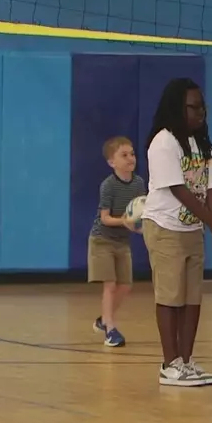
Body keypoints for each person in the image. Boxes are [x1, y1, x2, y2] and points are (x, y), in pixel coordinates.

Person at [142, 77, 212, 387]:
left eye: (202, 107)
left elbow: (211, 191)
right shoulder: (164, 142)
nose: (200, 113)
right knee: (170, 296)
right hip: (165, 226)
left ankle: (186, 360)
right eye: (193, 107)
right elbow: (180, 191)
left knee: (192, 297)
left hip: (193, 226)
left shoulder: (202, 144)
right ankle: (170, 364)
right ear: (176, 107)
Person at [89, 136, 146, 348]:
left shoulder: (139, 183)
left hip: (122, 242)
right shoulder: (108, 186)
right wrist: (125, 220)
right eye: (124, 155)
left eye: (132, 154)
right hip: (102, 240)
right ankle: (110, 330)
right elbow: (104, 217)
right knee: (110, 285)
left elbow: (141, 210)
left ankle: (104, 319)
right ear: (112, 162)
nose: (130, 158)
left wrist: (140, 226)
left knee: (126, 286)